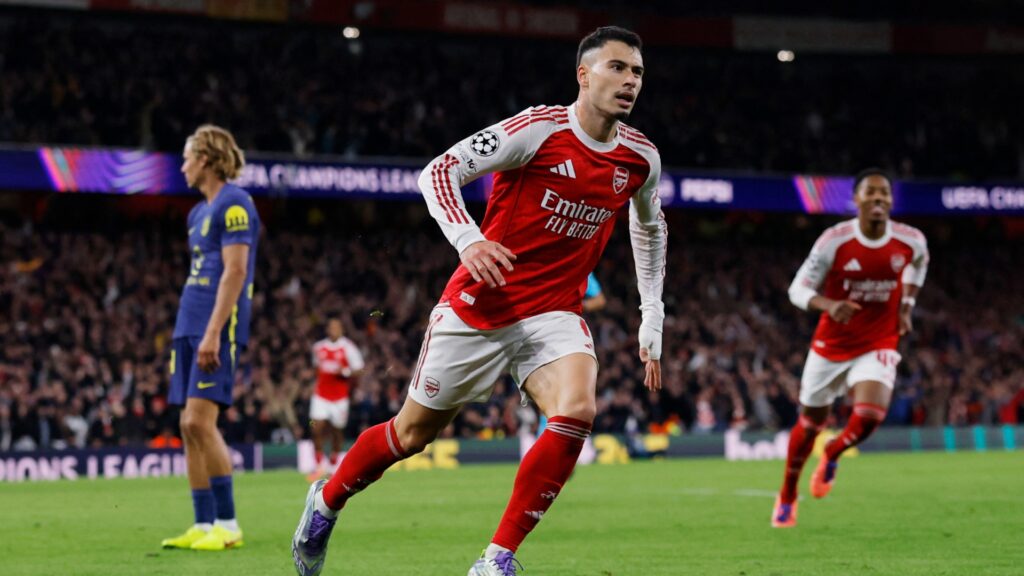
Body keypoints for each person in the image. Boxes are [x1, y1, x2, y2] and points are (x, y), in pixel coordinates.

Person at [292, 26, 667, 576]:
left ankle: (497, 560)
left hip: (555, 313)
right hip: (480, 307)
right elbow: (438, 171)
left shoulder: (640, 158)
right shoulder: (538, 129)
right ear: (584, 75)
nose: (630, 80)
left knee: (579, 409)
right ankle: (325, 503)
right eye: (617, 68)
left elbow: (651, 230)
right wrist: (470, 239)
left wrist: (651, 312)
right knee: (410, 435)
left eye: (636, 71)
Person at [771, 168, 928, 528]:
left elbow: (919, 267)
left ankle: (834, 451)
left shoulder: (911, 240)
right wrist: (829, 305)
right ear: (855, 200)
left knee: (871, 415)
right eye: (870, 193)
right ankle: (788, 494)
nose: (879, 199)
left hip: (879, 339)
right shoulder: (834, 240)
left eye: (884, 193)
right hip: (831, 345)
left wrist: (906, 307)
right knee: (810, 424)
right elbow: (797, 290)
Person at [162, 125, 260, 550]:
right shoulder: (196, 213)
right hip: (189, 324)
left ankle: (228, 524)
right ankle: (203, 525)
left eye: (186, 157)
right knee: (187, 425)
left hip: (214, 328)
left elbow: (235, 271)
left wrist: (214, 332)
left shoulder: (235, 203)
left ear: (204, 158)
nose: (182, 165)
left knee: (201, 421)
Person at [307, 317, 365, 481]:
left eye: (336, 327)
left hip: (340, 398)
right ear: (327, 330)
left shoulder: (348, 348)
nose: (333, 330)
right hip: (321, 396)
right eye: (330, 327)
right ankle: (319, 466)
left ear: (341, 330)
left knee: (337, 431)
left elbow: (360, 369)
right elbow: (316, 368)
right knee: (316, 428)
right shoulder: (318, 348)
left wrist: (345, 372)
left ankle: (333, 465)